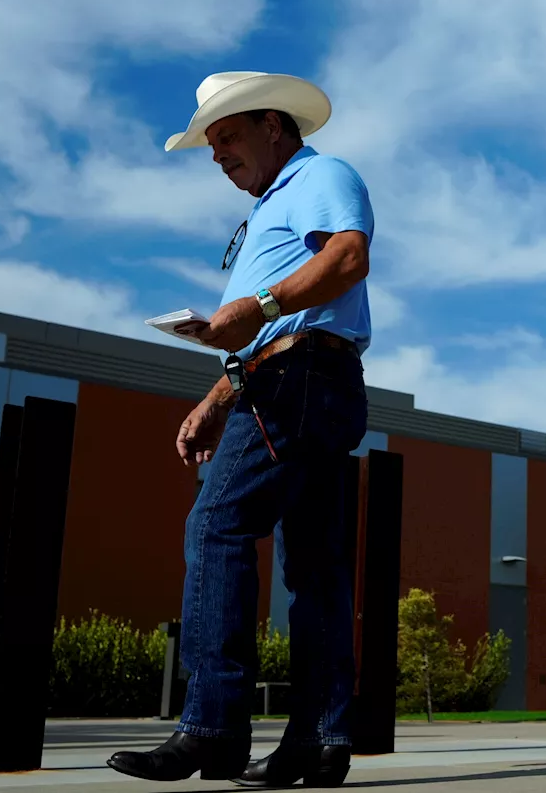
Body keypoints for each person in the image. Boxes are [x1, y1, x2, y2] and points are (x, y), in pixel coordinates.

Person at [107, 72, 373, 787]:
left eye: (227, 135)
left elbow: (347, 259)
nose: (217, 154)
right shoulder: (272, 211)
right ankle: (321, 739)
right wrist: (217, 397)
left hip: (301, 382)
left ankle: (212, 724)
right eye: (211, 143)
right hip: (300, 377)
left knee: (215, 527)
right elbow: (278, 327)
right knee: (314, 568)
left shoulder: (320, 175)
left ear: (274, 127)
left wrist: (254, 305)